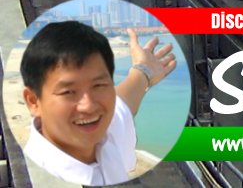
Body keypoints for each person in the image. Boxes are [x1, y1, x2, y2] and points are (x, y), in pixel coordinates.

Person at [20, 21, 177, 185]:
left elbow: (122, 104)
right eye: (68, 92)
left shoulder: (104, 136)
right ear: (33, 101)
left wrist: (143, 70)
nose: (88, 106)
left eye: (98, 85)